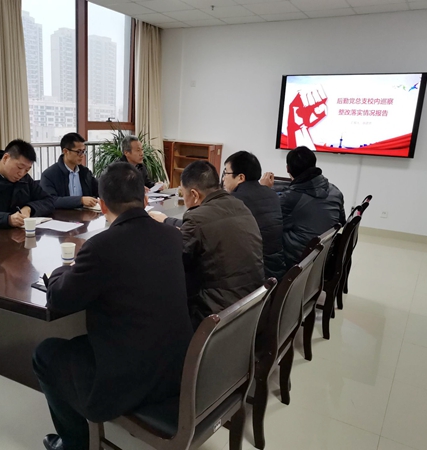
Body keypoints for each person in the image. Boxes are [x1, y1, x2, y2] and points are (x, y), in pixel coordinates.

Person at [33, 162, 193, 450]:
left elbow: (59, 299)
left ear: (103, 205)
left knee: (45, 353)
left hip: (130, 380)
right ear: (145, 198)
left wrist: (62, 269)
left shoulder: (101, 246)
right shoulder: (172, 236)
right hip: (176, 369)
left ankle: (74, 444)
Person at [150, 160, 264, 328]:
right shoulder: (239, 206)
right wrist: (169, 222)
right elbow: (209, 227)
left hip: (219, 312)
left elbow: (175, 261)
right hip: (252, 303)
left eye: (184, 194)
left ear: (194, 194)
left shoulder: (197, 218)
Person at [260, 146, 346, 269]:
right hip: (323, 256)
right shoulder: (335, 191)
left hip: (297, 260)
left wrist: (263, 191)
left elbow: (266, 222)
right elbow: (342, 221)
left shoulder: (291, 198)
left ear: (287, 168)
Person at [223, 151, 286, 280]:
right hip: (275, 269)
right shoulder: (272, 194)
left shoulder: (234, 201)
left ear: (240, 177)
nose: (223, 178)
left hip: (254, 275)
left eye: (226, 173)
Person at [40, 133, 99, 209]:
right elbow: (50, 201)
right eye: (78, 152)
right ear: (65, 151)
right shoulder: (49, 175)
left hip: (85, 214)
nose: (82, 155)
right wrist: (80, 200)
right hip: (61, 215)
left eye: (83, 151)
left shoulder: (85, 172)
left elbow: (99, 190)